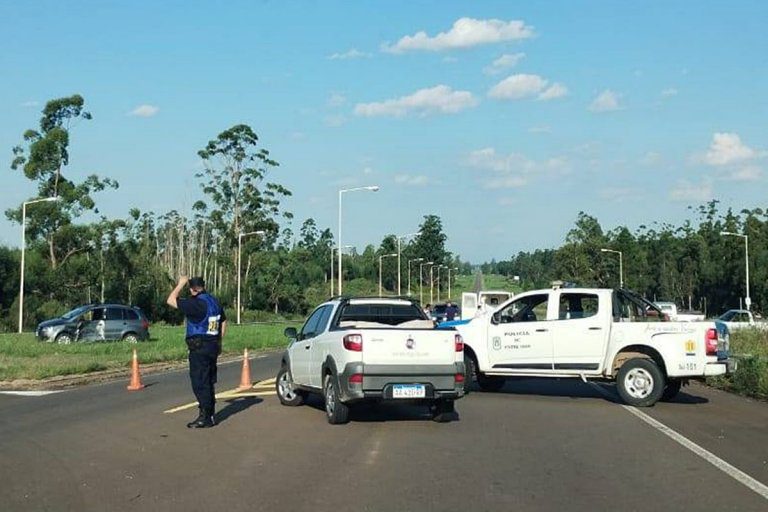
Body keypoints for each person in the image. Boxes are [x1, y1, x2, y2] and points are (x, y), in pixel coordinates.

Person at [167, 275, 227, 429]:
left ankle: (205, 417)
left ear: (192, 289)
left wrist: (180, 284)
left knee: (200, 382)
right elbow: (224, 321)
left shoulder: (196, 304)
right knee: (208, 381)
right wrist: (219, 340)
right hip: (212, 345)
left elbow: (171, 300)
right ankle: (210, 414)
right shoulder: (214, 301)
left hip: (199, 347)